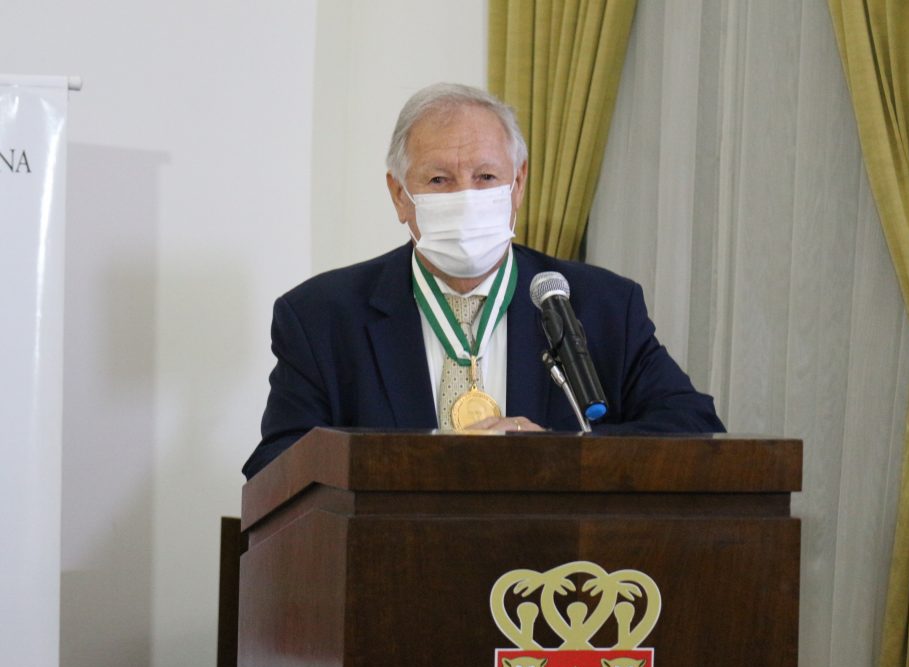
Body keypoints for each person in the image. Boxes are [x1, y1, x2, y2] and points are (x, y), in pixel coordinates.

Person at [243, 83, 724, 480]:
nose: (466, 197)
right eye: (439, 180)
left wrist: (557, 452)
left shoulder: (602, 306)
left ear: (518, 184)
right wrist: (412, 465)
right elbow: (274, 470)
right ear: (399, 194)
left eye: (486, 176)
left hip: (555, 562)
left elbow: (696, 431)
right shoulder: (321, 317)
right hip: (395, 560)